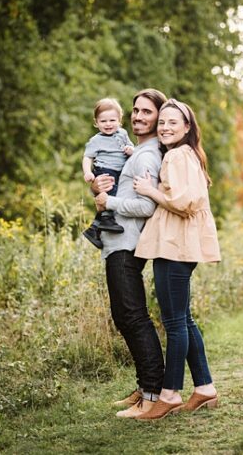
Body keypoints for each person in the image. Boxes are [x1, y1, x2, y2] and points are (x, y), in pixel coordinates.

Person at [130, 98, 221, 420]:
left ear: (186, 127)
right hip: (178, 245)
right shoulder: (183, 155)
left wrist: (149, 190)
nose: (166, 127)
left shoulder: (179, 156)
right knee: (184, 319)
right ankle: (205, 388)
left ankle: (169, 394)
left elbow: (184, 202)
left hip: (175, 246)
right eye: (162, 122)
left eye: (173, 122)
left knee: (174, 323)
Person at [89, 89, 168, 418]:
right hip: (115, 242)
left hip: (127, 243)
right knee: (125, 316)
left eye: (146, 112)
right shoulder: (131, 152)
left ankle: (152, 394)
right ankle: (145, 386)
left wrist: (111, 203)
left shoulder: (147, 155)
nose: (137, 116)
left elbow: (147, 205)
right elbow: (112, 187)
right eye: (135, 111)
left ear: (158, 118)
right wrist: (99, 190)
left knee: (132, 316)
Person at [82, 98, 135, 246]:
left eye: (112, 120)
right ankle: (107, 219)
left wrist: (131, 150)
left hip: (121, 171)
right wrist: (87, 172)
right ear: (96, 122)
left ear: (119, 120)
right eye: (103, 121)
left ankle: (94, 230)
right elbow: (87, 157)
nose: (108, 124)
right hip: (105, 169)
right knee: (111, 194)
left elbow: (132, 149)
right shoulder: (95, 140)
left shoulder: (123, 134)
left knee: (118, 193)